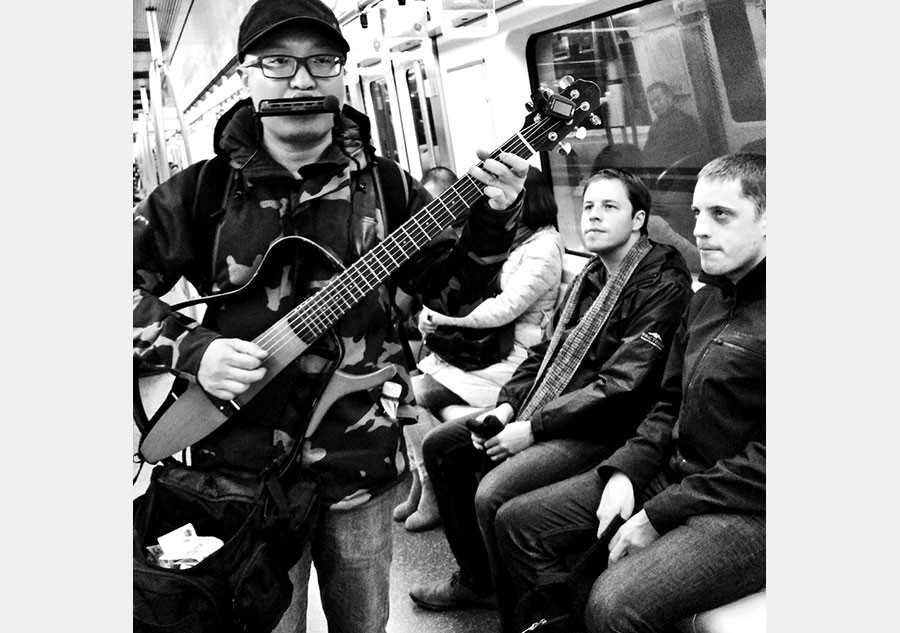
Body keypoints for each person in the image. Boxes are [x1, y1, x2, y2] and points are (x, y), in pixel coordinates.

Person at [132, 1, 530, 632]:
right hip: (238, 469)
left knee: (364, 624)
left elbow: (453, 297)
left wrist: (494, 217)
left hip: (358, 463)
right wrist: (193, 349)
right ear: (246, 76)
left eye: (322, 61)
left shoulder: (393, 189)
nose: (302, 80)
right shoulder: (198, 193)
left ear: (342, 74)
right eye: (278, 62)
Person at [495, 152, 766, 633]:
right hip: (679, 475)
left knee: (614, 602)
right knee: (519, 521)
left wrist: (657, 513)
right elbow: (668, 407)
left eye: (721, 215)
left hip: (748, 507)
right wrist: (626, 472)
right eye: (697, 214)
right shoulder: (706, 302)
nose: (700, 230)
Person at [408, 168, 693, 620]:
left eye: (609, 207)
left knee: (494, 494)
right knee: (442, 446)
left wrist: (532, 428)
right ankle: (477, 580)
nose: (594, 217)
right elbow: (545, 350)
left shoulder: (661, 283)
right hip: (557, 408)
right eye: (588, 207)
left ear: (638, 220)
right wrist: (506, 406)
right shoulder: (591, 278)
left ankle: (518, 618)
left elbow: (622, 385)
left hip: (608, 427)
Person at [394, 165, 564, 532]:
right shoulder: (518, 243)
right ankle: (423, 480)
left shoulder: (544, 248)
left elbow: (504, 308)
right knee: (400, 387)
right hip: (487, 352)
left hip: (514, 359)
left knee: (409, 393)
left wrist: (443, 319)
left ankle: (431, 488)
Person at [642, 81, 708, 169]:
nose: (655, 105)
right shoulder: (656, 125)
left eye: (658, 99)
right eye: (651, 102)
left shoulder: (683, 122)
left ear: (669, 98)